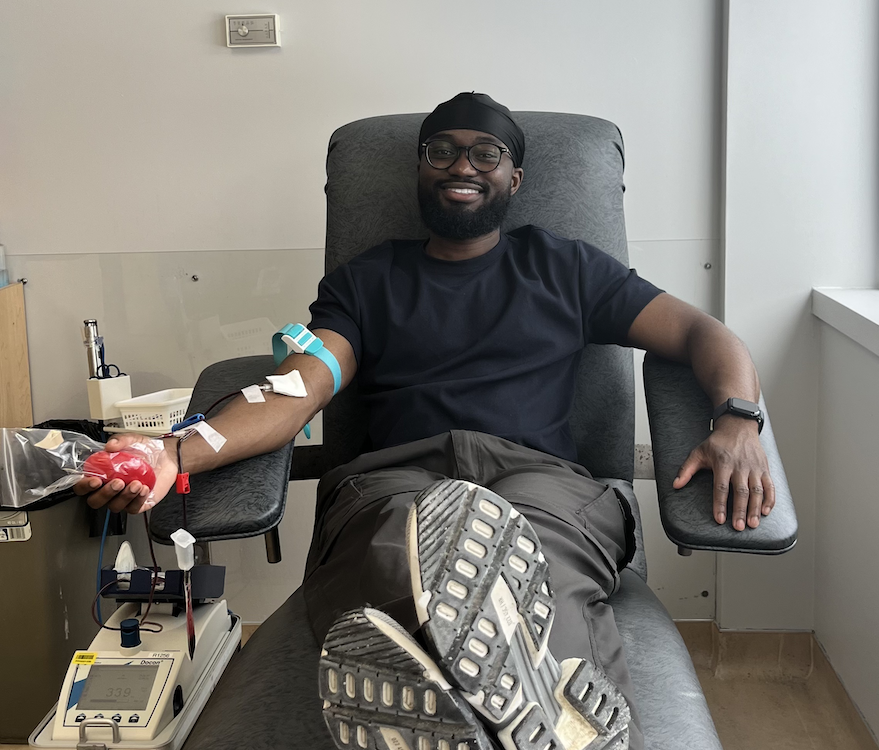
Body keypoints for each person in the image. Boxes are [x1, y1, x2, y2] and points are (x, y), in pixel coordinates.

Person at [76, 93, 775, 750]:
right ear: (419, 169)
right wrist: (175, 451)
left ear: (515, 176)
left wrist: (737, 417)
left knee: (542, 577)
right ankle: (496, 704)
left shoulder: (564, 267)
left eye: (485, 152)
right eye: (440, 151)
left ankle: (513, 706)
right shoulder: (366, 282)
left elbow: (701, 334)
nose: (462, 166)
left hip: (542, 484)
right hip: (396, 482)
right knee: (393, 557)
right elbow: (295, 389)